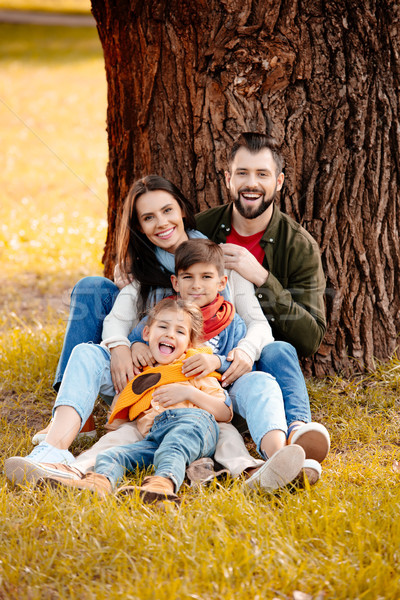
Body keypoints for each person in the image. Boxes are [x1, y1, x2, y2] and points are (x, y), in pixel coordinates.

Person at [5, 177, 312, 492]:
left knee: (262, 378)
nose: (161, 222)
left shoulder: (221, 262)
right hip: (152, 382)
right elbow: (118, 320)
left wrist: (241, 354)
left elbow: (258, 325)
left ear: (182, 210)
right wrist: (125, 346)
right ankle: (53, 453)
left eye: (168, 210)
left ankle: (278, 457)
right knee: (87, 353)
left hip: (212, 388)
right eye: (148, 217)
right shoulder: (141, 271)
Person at [39, 298, 306, 503]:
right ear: (146, 334)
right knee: (115, 442)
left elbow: (224, 413)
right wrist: (120, 418)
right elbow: (123, 411)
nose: (169, 334)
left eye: (179, 331)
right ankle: (78, 471)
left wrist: (189, 393)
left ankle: (251, 470)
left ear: (189, 343)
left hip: (200, 424)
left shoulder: (191, 368)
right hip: (151, 429)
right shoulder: (141, 372)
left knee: (228, 437)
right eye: (163, 327)